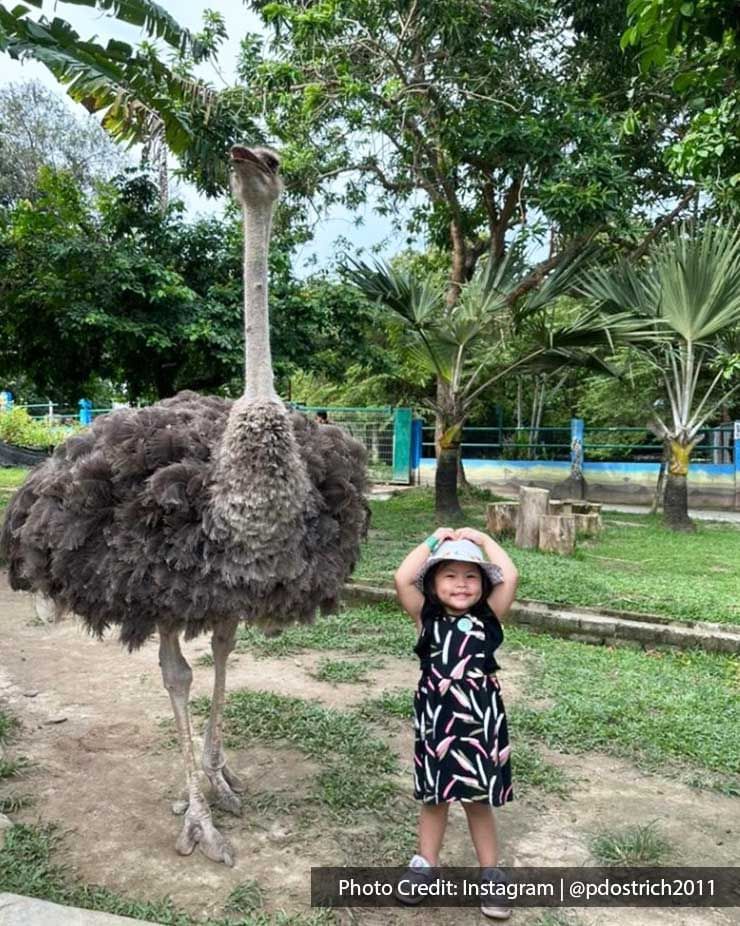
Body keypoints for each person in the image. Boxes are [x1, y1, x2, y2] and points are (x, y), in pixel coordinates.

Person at [393, 525, 519, 920]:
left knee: (478, 803)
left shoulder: (489, 617)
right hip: (438, 724)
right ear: (432, 584)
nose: (461, 585)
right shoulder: (424, 618)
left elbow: (510, 575)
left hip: (481, 726)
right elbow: (402, 576)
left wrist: (482, 540)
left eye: (471, 576)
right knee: (435, 799)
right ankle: (425, 865)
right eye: (449, 575)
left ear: (483, 584)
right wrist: (434, 538)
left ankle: (491, 874)